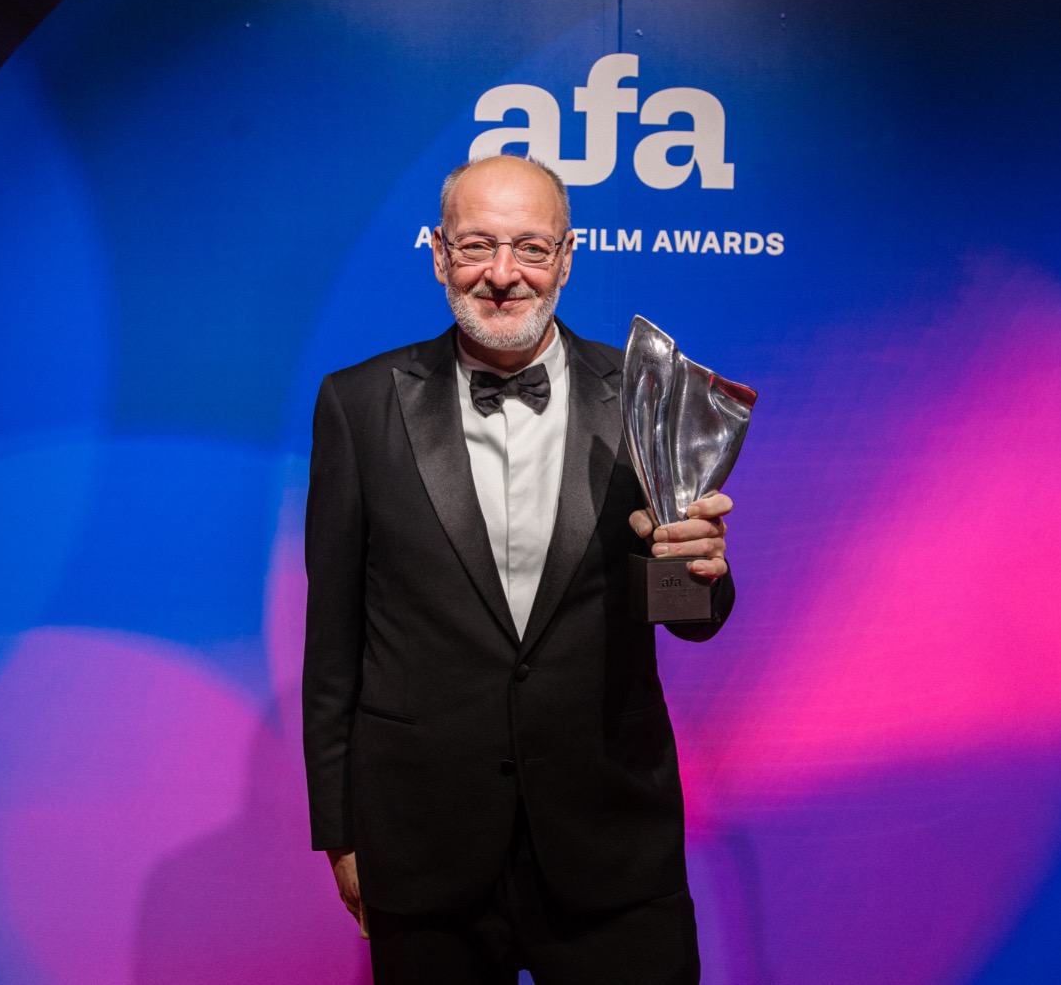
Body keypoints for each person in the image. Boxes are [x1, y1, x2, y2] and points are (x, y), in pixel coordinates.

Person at [302, 154, 736, 984]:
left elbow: (684, 616)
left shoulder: (649, 395)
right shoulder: (357, 405)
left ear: (566, 258)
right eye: (477, 246)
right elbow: (333, 646)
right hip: (423, 844)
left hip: (612, 839)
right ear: (439, 255)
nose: (503, 274)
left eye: (531, 248)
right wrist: (342, 832)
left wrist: (694, 574)